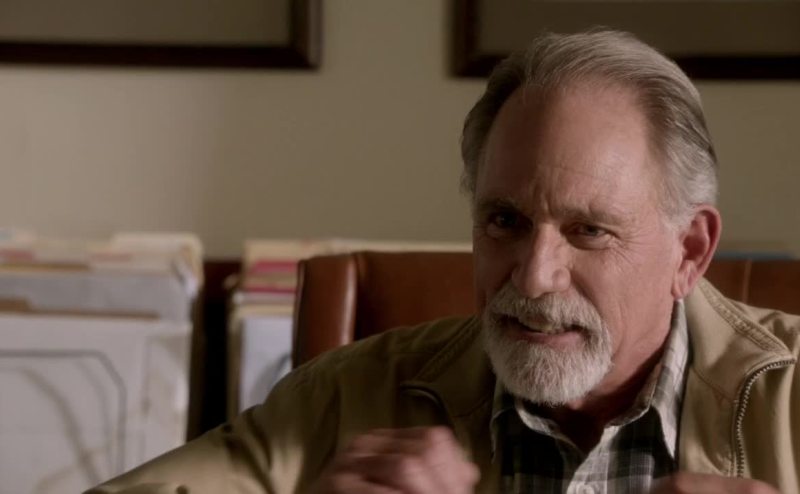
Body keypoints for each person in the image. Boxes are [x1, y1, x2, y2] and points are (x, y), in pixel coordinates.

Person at [88, 29, 799, 494]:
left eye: (588, 231)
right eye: (504, 221)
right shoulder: (345, 399)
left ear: (689, 251)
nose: (533, 276)